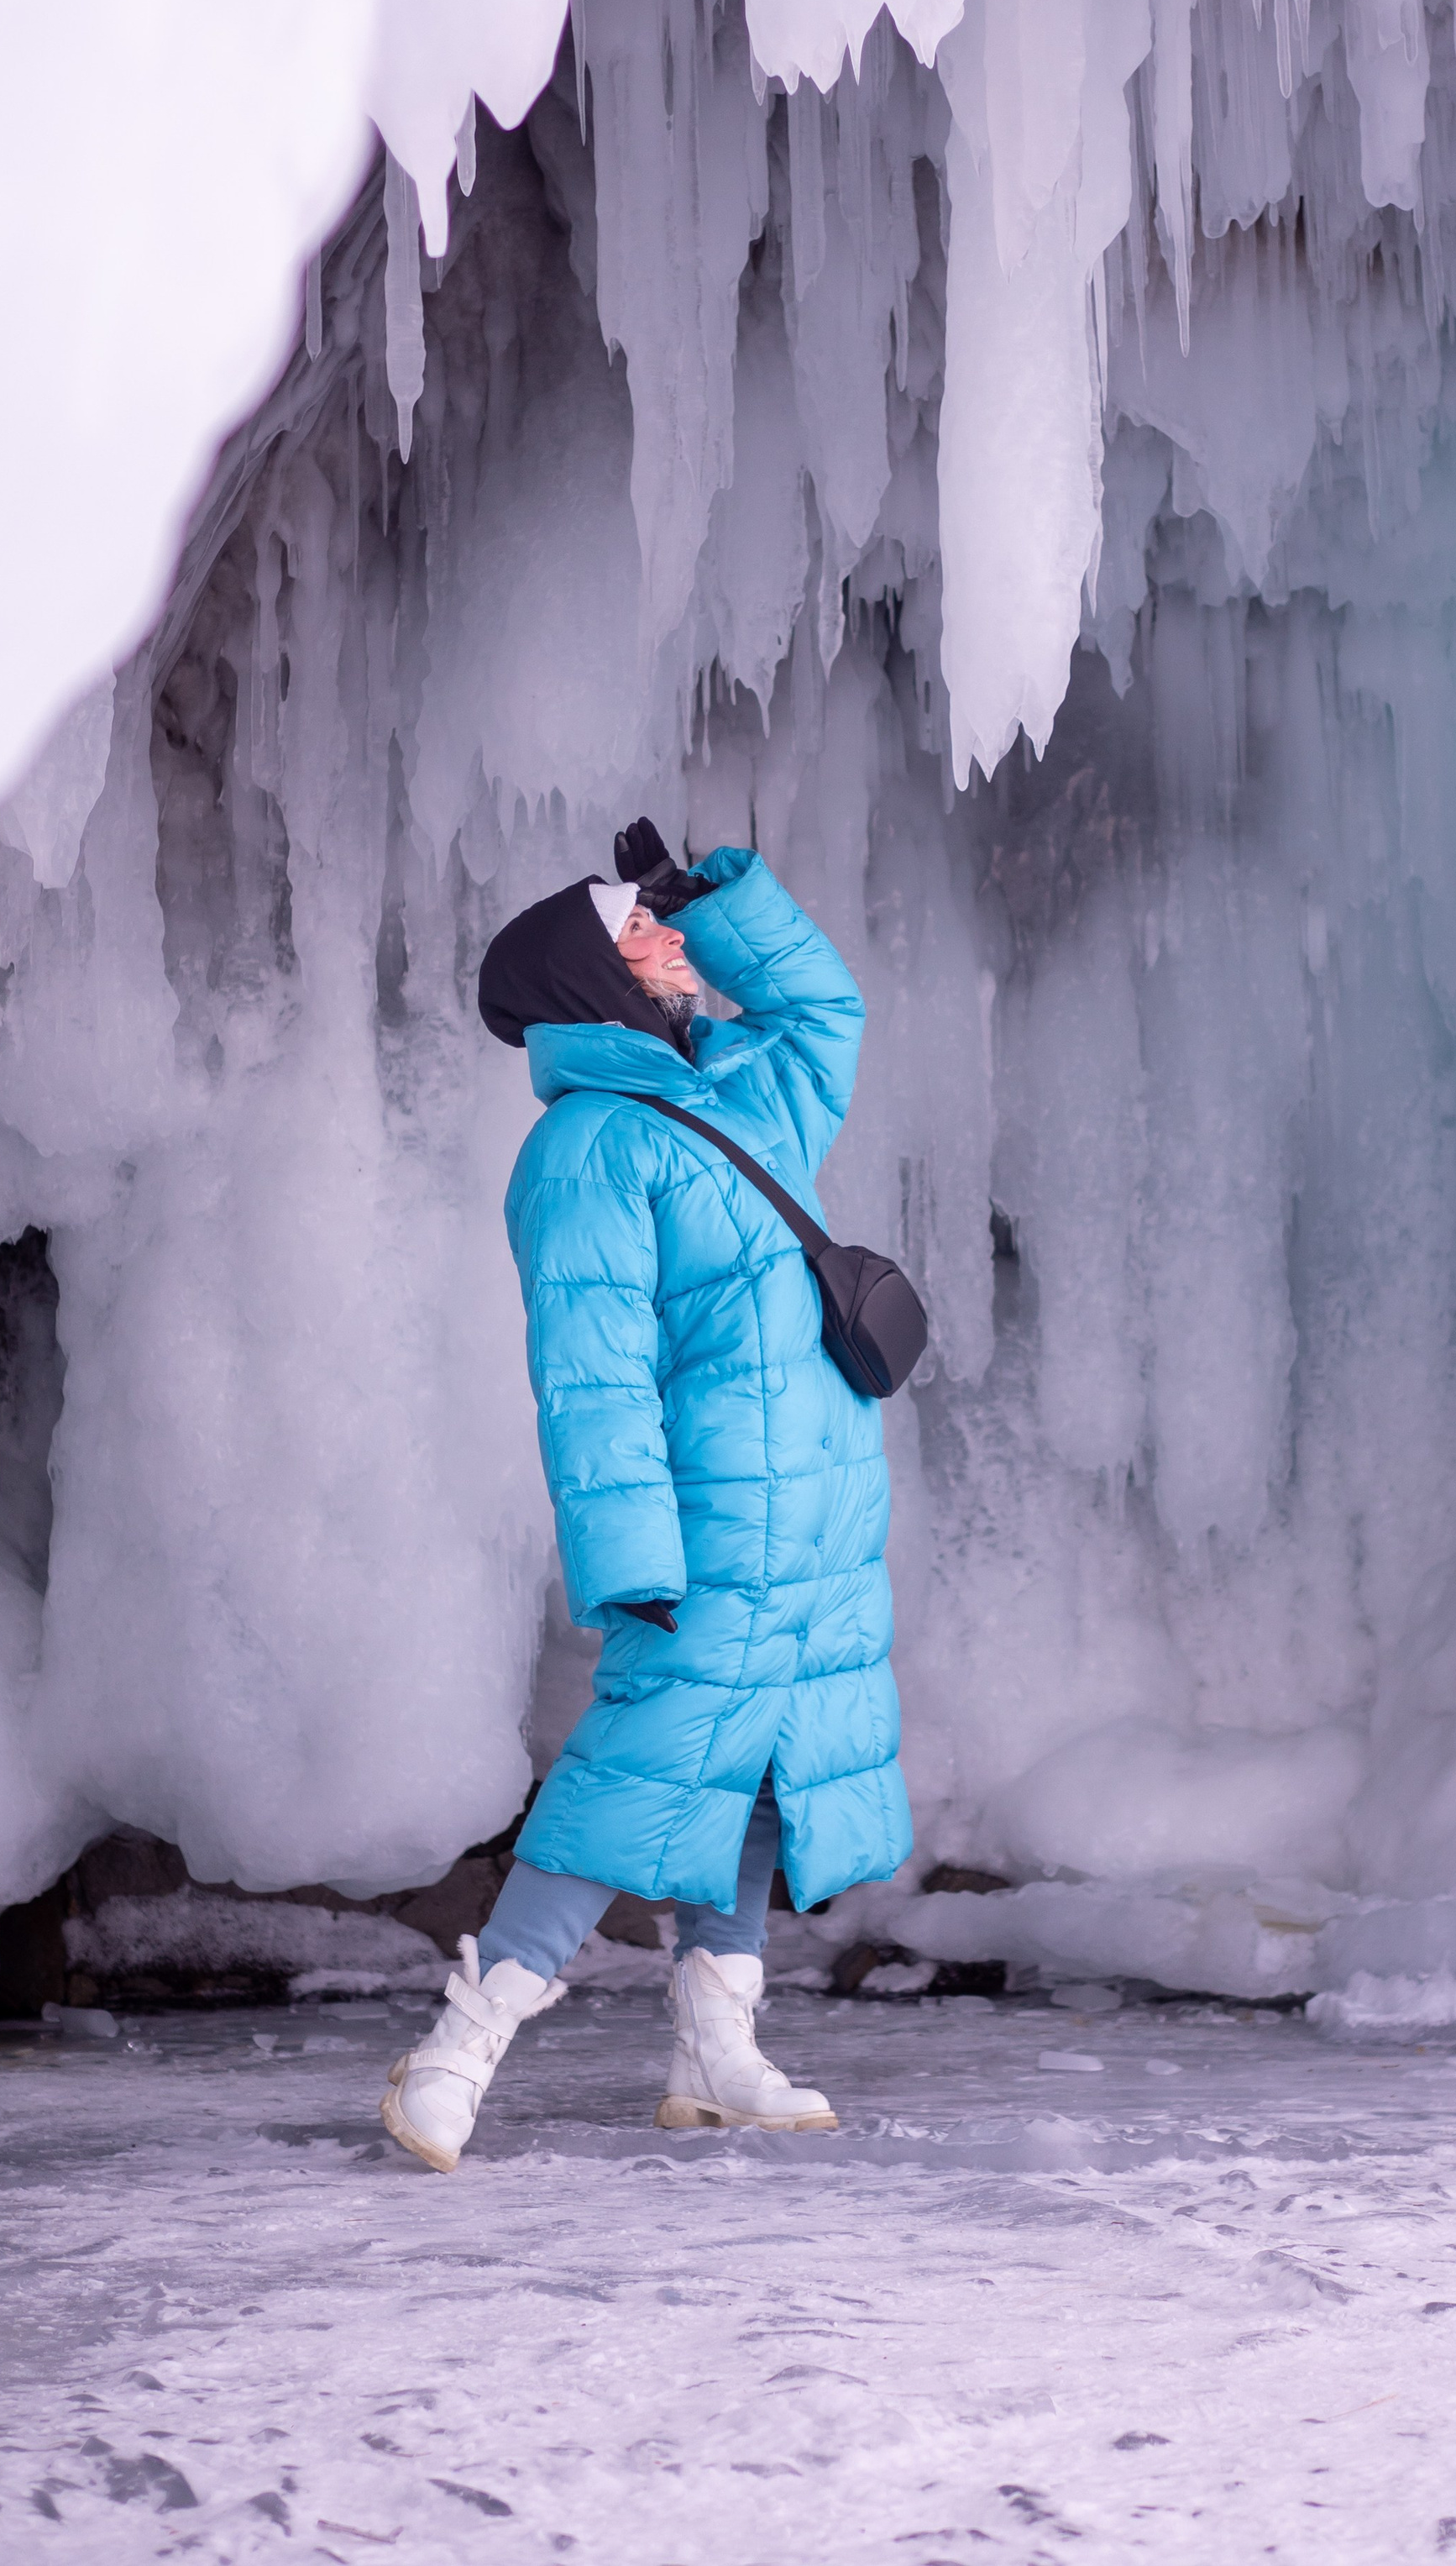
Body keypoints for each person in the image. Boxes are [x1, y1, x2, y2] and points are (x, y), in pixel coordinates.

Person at [380, 821, 911, 2170]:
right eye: (641, 930)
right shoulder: (588, 1148)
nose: (671, 942)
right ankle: (457, 2049)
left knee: (760, 1768)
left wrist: (713, 896)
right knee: (641, 1771)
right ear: (591, 979)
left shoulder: (747, 1093)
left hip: (820, 1515)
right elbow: (593, 1374)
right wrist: (631, 1556)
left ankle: (715, 2049)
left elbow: (824, 1010)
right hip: (717, 1520)